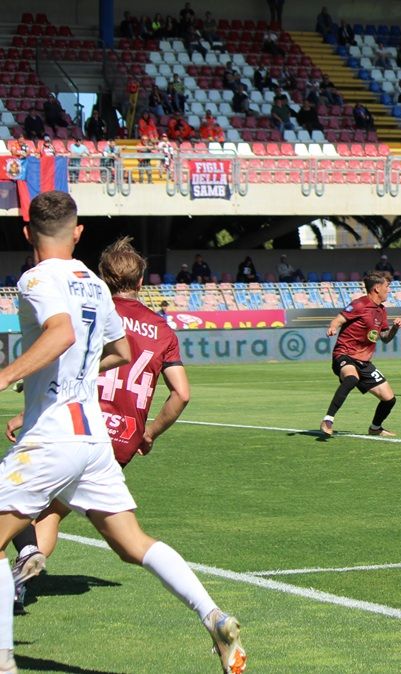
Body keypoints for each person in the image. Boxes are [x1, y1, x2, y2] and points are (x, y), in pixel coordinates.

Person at [0, 193, 246, 674]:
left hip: (53, 437)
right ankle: (213, 615)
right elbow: (120, 351)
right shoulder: (94, 285)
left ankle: (4, 658)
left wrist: (8, 375)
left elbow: (61, 333)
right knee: (133, 543)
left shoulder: (36, 278)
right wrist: (71, 375)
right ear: (78, 233)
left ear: (27, 233)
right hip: (94, 441)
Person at [6, 237, 192, 603]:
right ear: (141, 281)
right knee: (56, 511)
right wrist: (150, 433)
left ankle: (20, 575)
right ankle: (22, 573)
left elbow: (71, 369)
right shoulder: (162, 330)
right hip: (123, 437)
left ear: (103, 277)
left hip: (79, 423)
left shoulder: (91, 309)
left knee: (33, 506)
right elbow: (182, 393)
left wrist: (27, 409)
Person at [320, 274, 401, 437]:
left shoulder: (381, 310)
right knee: (351, 378)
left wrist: (394, 329)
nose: (389, 290)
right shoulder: (359, 304)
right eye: (386, 286)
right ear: (377, 288)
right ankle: (328, 420)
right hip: (344, 354)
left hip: (364, 361)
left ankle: (375, 428)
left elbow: (385, 338)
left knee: (389, 399)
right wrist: (333, 327)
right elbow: (338, 319)